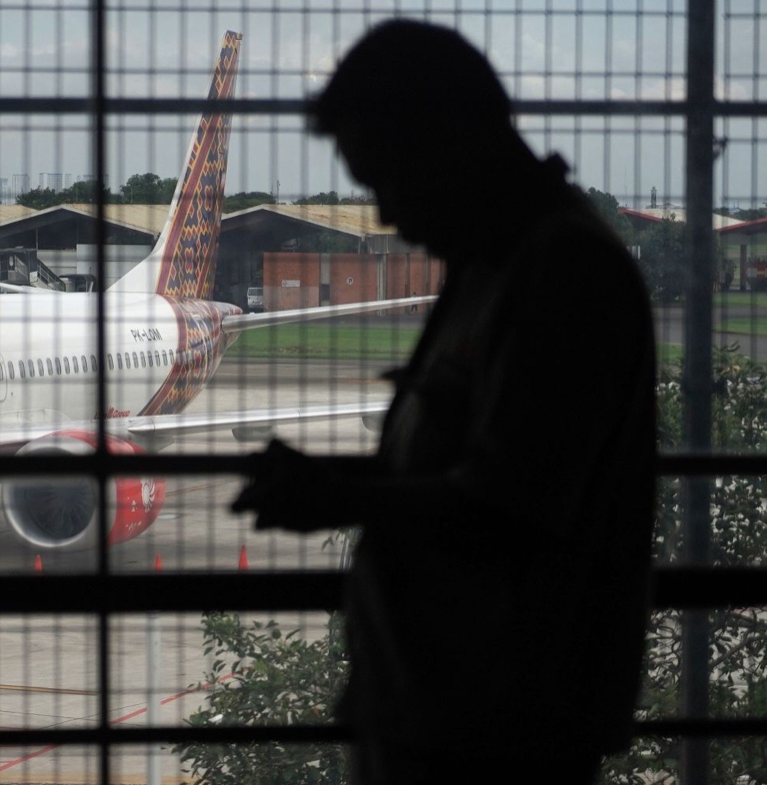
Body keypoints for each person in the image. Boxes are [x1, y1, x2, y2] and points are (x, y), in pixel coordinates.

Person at [230, 19, 657, 785]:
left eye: (387, 178)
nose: (388, 217)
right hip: (445, 710)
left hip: (496, 729)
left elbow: (513, 508)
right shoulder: (498, 264)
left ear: (446, 143)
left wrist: (343, 495)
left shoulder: (560, 275)